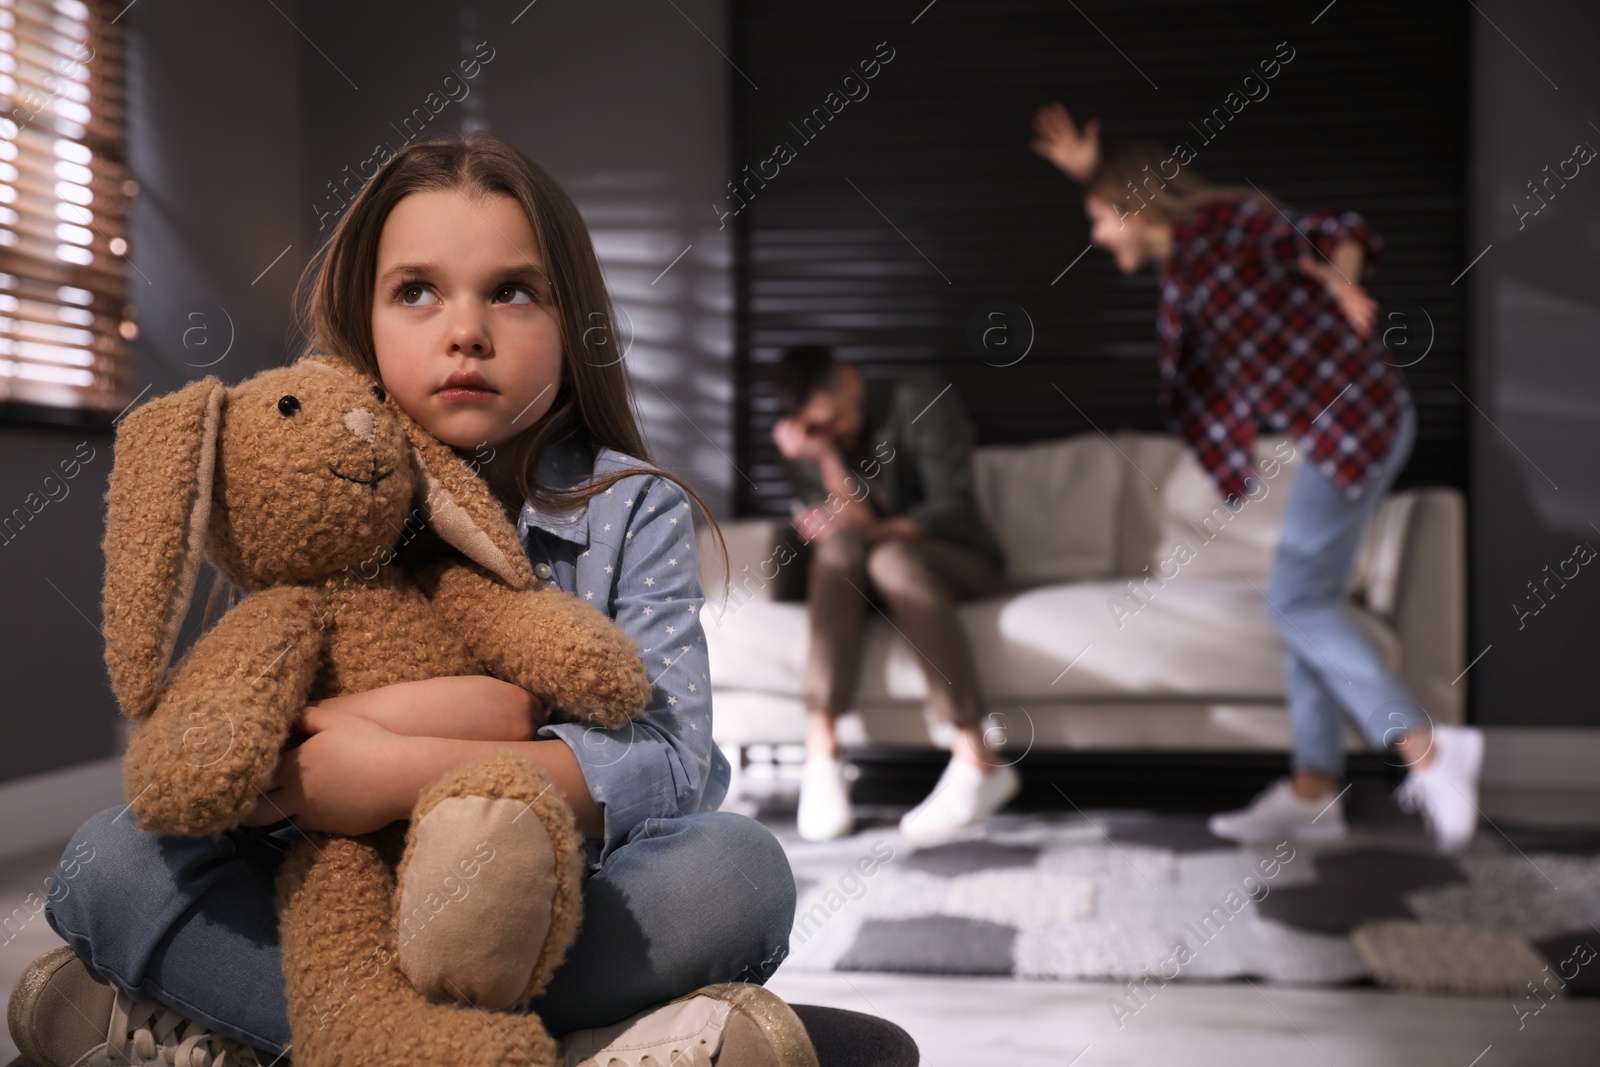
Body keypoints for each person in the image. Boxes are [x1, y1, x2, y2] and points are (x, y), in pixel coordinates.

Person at [15, 133, 805, 1067]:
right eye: (417, 291)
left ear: (572, 319)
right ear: (367, 316)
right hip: (324, 900)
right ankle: (575, 1045)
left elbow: (673, 764)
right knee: (108, 861)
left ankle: (240, 1033)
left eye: (512, 289)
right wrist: (365, 758)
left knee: (737, 876)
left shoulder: (631, 507)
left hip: (541, 911)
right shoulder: (309, 478)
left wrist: (393, 767)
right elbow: (237, 757)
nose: (464, 329)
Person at [1030, 102, 1484, 854]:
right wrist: (1096, 177)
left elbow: (1340, 229)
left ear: (1132, 209)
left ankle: (1428, 750)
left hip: (1358, 419)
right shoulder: (1185, 262)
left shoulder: (1224, 228)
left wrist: (1339, 282)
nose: (1095, 233)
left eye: (1101, 217)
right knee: (1305, 604)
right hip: (1342, 425)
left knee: (1296, 602)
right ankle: (1311, 794)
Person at [768, 345, 1018, 845]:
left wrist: (862, 526)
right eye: (817, 430)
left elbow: (951, 510)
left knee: (887, 557)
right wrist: (822, 468)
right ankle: (823, 750)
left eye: (833, 420)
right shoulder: (812, 443)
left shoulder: (920, 400)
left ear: (850, 381)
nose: (830, 432)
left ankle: (977, 755)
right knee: (843, 549)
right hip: (866, 575)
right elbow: (838, 533)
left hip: (957, 560)